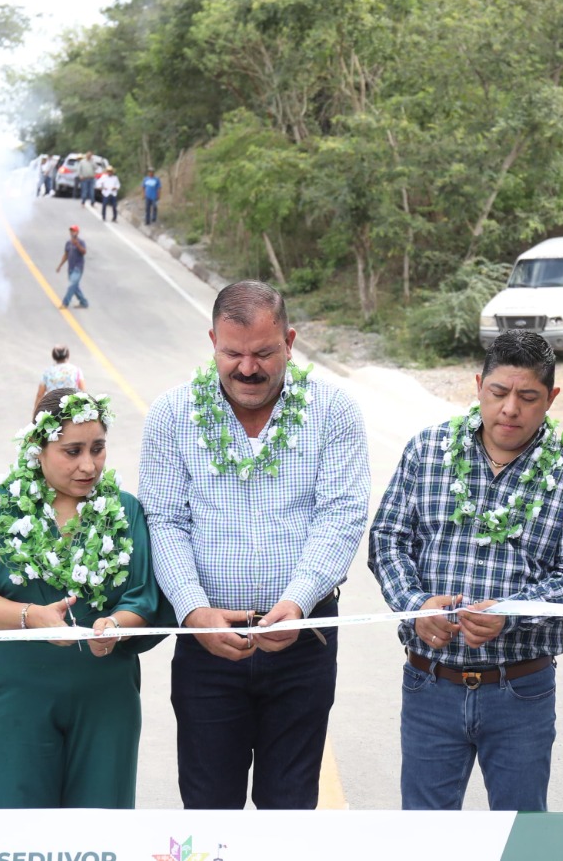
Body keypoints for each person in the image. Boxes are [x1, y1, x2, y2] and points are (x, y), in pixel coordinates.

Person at [140, 280, 370, 810]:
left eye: (264, 353)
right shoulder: (172, 414)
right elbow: (165, 520)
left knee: (289, 807)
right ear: (212, 343)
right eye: (232, 354)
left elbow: (341, 514)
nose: (247, 368)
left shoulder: (333, 410)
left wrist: (298, 601)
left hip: (303, 640)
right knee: (208, 808)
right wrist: (194, 611)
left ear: (289, 342)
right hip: (207, 645)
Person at [368, 329, 563, 811]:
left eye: (528, 397)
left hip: (520, 689)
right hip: (430, 682)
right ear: (479, 386)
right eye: (498, 393)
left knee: (520, 831)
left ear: (551, 398)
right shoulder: (427, 451)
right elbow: (387, 539)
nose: (510, 409)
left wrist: (510, 613)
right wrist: (416, 605)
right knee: (425, 833)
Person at [0, 389, 166, 809]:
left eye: (97, 448)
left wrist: (115, 625)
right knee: (12, 824)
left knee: (101, 826)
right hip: (15, 697)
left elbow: (144, 596)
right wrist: (29, 616)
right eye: (72, 451)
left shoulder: (125, 511)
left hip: (106, 699)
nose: (88, 465)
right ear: (38, 447)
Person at [57, 225, 89, 310]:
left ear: (77, 232)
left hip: (78, 268)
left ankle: (65, 303)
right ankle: (84, 302)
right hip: (70, 268)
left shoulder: (81, 242)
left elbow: (84, 252)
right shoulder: (68, 243)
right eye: (71, 231)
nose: (72, 232)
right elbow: (66, 255)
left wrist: (77, 245)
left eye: (74, 231)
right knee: (74, 286)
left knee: (71, 285)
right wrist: (60, 265)